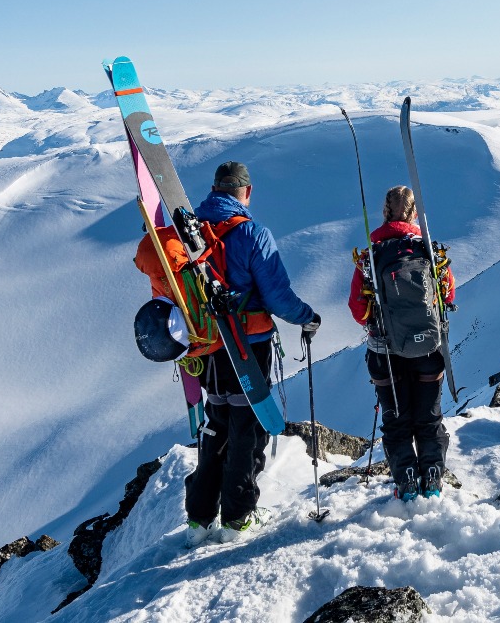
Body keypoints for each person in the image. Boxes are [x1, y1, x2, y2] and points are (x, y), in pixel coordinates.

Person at [182, 160, 320, 544]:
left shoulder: (187, 233)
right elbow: (278, 297)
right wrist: (308, 318)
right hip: (247, 349)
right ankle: (238, 516)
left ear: (214, 189)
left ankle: (199, 516)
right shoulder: (252, 234)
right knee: (247, 430)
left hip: (207, 348)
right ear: (247, 192)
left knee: (216, 422)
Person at [349, 185, 455, 501]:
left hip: (385, 352)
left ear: (385, 212)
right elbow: (448, 295)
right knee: (429, 417)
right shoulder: (430, 252)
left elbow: (357, 311)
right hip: (428, 349)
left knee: (397, 422)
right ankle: (433, 480)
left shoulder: (369, 258)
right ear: (414, 213)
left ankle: (407, 484)